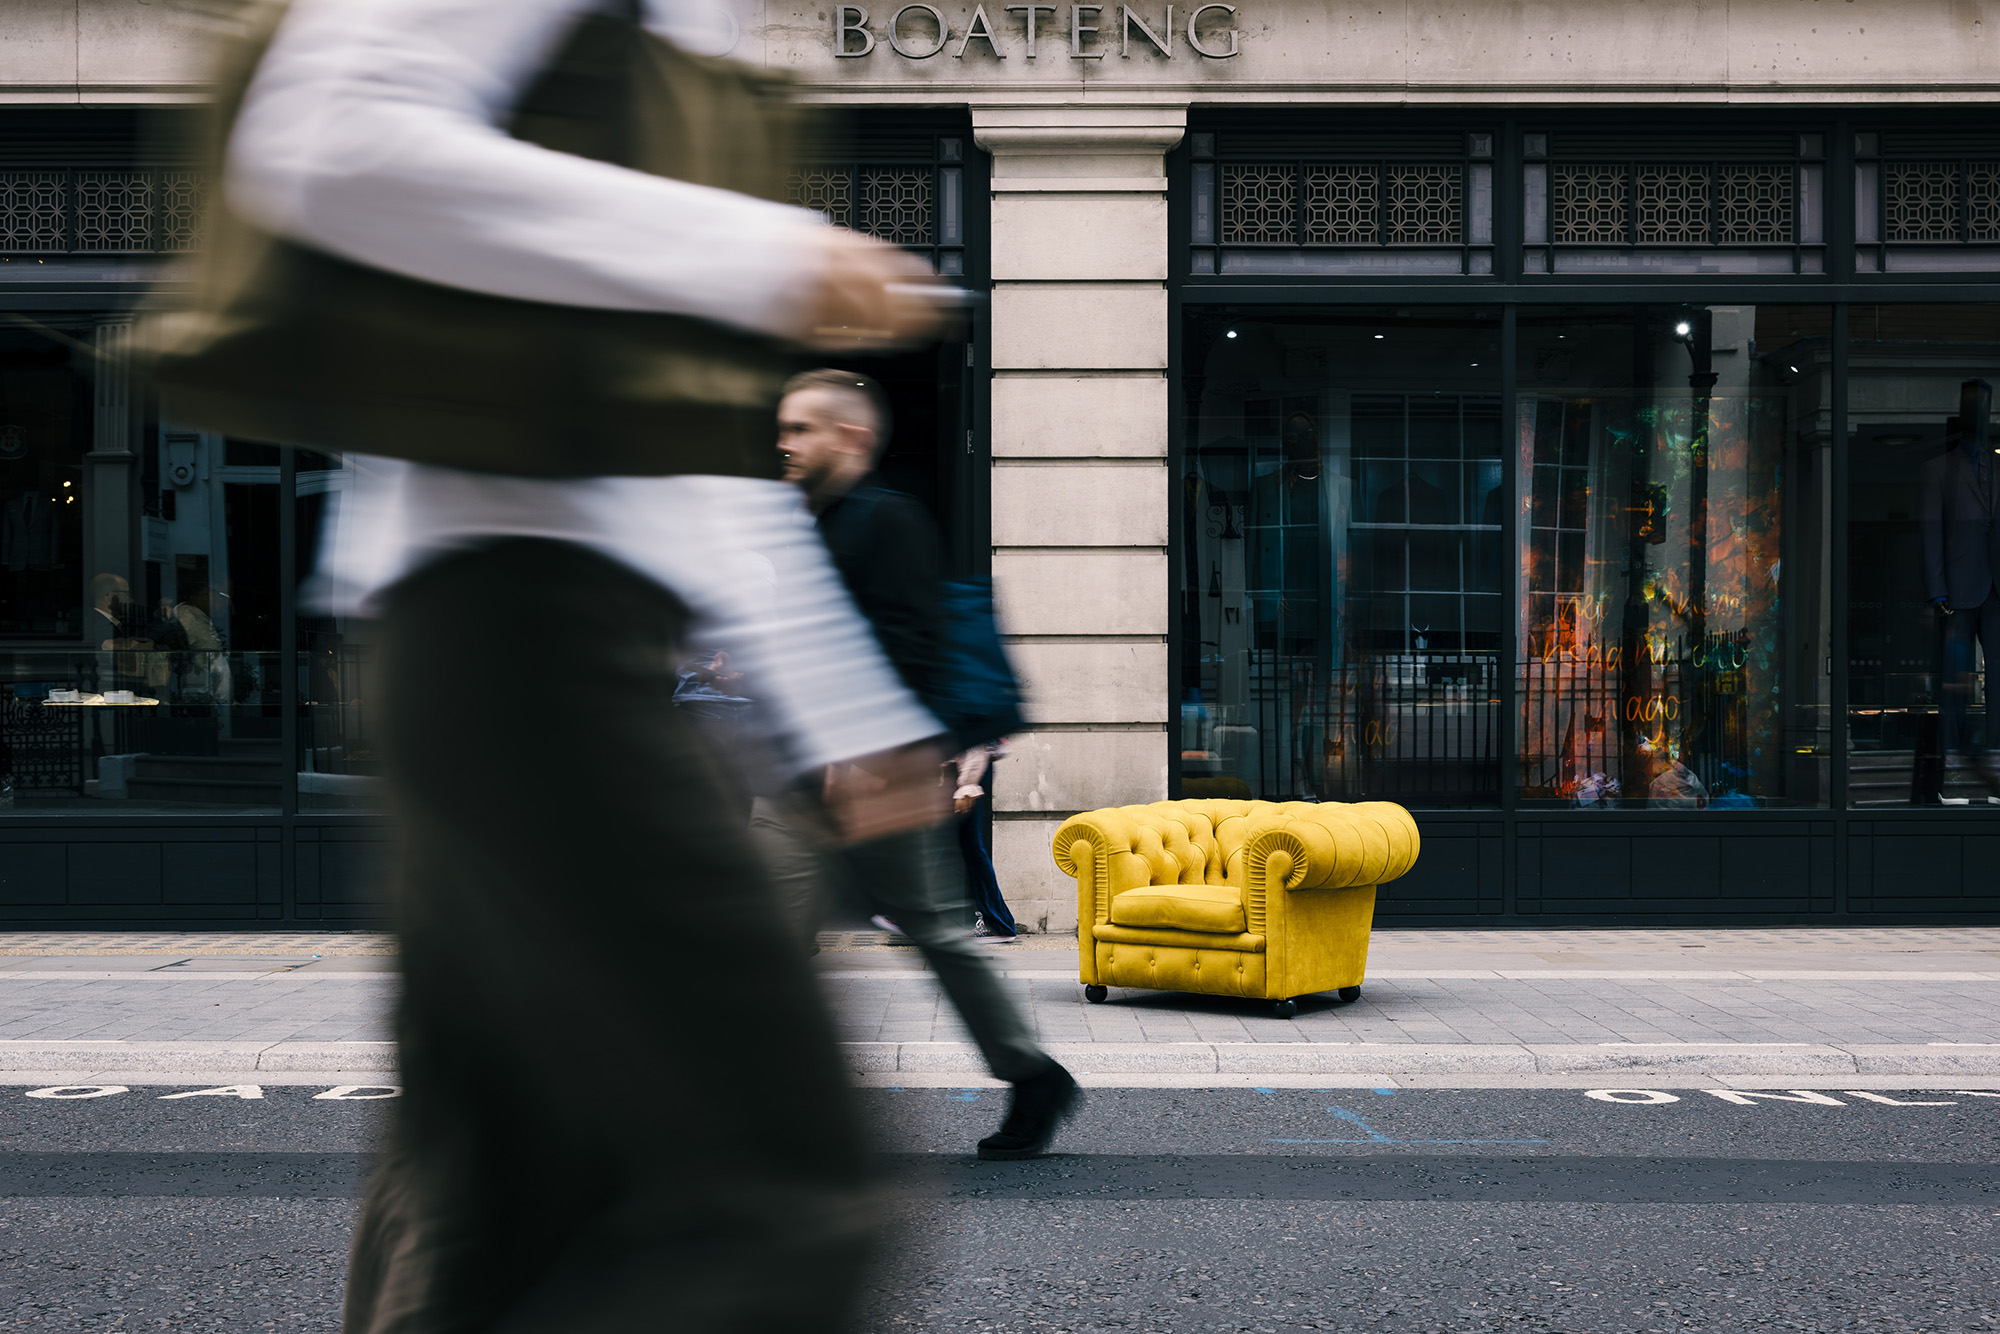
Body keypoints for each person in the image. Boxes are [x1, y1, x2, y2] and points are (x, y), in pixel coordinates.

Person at [210, 2, 955, 1330]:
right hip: (521, 633)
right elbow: (327, 142)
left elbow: (676, 445)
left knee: (485, 1202)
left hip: (517, 634)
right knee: (778, 1187)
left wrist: (842, 704)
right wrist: (766, 253)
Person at [757, 367, 1078, 1158]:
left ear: (850, 436)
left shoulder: (886, 519)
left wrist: (865, 755)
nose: (783, 442)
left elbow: (911, 646)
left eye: (800, 428)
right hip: (800, 772)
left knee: (936, 932)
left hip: (873, 772)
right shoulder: (804, 521)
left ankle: (1032, 1074)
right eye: (782, 427)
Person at [1920, 380, 2000, 795]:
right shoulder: (1939, 470)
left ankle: (1996, 767)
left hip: (1997, 592)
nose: (1982, 415)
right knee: (1954, 684)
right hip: (1957, 592)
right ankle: (1951, 771)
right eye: (1976, 407)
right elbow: (1931, 532)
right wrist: (1938, 592)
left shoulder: (1999, 466)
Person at [947, 740, 1018, 941]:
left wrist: (967, 786)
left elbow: (974, 739)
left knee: (941, 846)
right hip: (961, 773)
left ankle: (907, 914)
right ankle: (1000, 924)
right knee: (972, 850)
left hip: (967, 773)